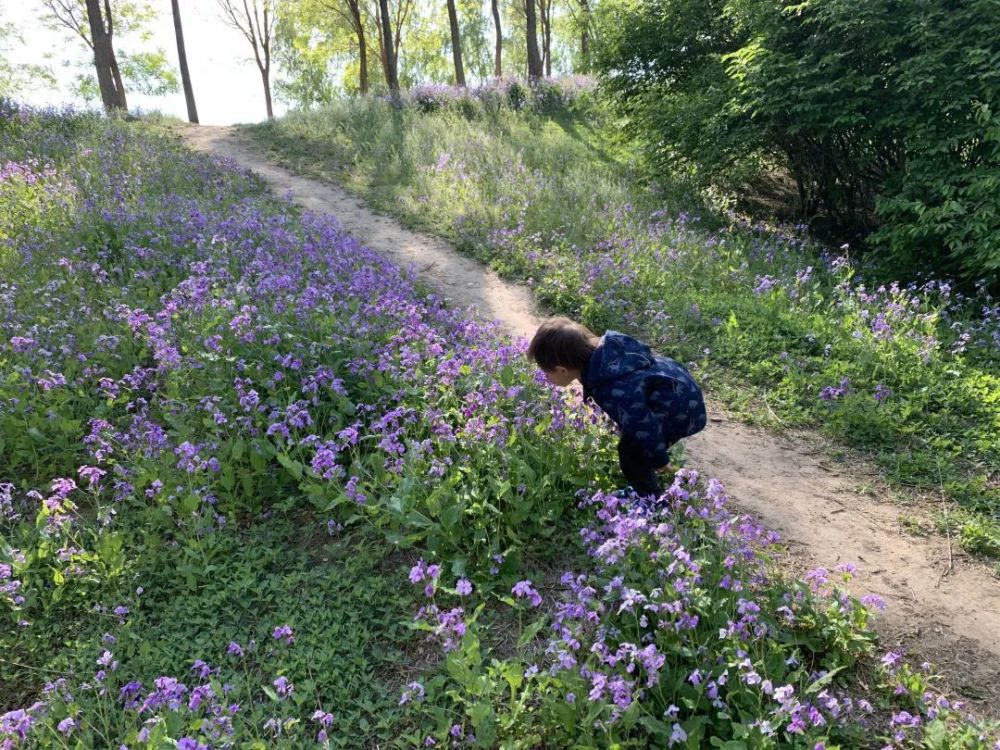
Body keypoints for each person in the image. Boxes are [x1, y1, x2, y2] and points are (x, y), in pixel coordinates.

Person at [527, 317, 706, 498]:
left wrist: (659, 458)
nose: (546, 378)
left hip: (681, 410)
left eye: (546, 373)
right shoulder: (605, 355)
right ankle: (650, 478)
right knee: (636, 440)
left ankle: (652, 499)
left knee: (631, 453)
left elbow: (641, 423)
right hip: (680, 387)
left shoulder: (610, 387)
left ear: (563, 370)